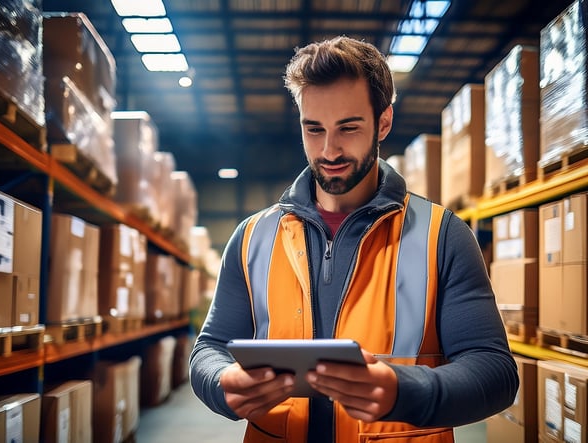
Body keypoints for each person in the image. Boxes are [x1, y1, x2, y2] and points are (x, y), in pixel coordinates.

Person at [190, 36, 519, 443]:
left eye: (348, 127)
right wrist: (223, 382)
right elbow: (209, 349)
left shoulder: (443, 235)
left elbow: (494, 371)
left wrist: (404, 391)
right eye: (314, 129)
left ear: (383, 122)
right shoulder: (253, 237)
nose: (329, 149)